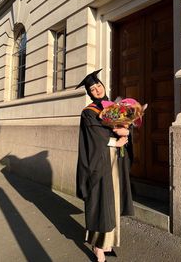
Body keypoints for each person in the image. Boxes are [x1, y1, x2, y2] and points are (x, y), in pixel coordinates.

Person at [76, 69, 134, 262]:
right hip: (99, 162)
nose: (97, 90)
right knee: (101, 203)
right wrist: (114, 142)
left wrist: (126, 131)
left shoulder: (113, 107)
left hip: (116, 160)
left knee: (113, 201)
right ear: (89, 93)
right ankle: (97, 246)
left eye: (98, 86)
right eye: (93, 89)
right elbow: (94, 139)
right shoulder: (89, 113)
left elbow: (124, 126)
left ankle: (107, 243)